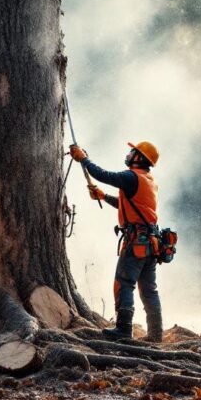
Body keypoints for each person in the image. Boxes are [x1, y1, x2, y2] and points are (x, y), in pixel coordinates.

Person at [69, 141, 163, 342]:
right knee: (149, 290)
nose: (129, 154)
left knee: (124, 283)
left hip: (136, 241)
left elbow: (103, 175)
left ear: (139, 158)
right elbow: (129, 205)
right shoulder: (148, 180)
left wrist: (83, 159)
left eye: (133, 152)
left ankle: (123, 329)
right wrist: (103, 196)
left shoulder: (131, 177)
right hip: (150, 242)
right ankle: (155, 335)